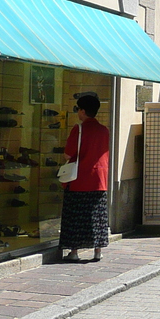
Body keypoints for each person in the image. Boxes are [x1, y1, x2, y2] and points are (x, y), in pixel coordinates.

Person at [60, 92, 110, 263]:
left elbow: (68, 154)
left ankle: (74, 252)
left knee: (76, 216)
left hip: (79, 179)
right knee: (97, 216)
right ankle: (98, 251)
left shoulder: (79, 129)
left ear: (82, 110)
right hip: (99, 179)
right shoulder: (104, 131)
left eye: (78, 109)